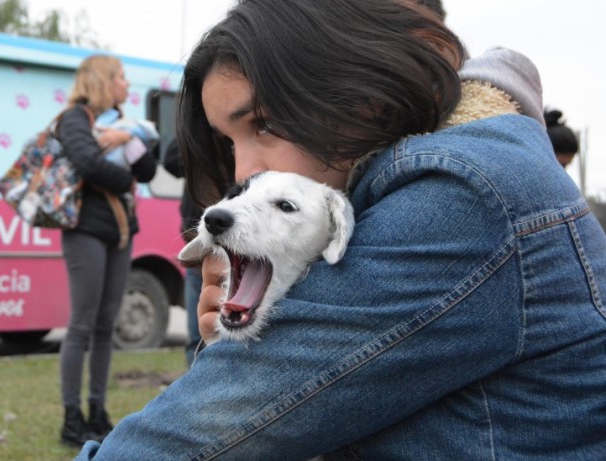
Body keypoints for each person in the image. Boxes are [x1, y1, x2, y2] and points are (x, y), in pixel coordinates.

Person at [73, 1, 606, 459]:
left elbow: (200, 432)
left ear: (358, 89)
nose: (242, 174)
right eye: (229, 141)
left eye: (264, 123)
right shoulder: (447, 174)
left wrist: (238, 362)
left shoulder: (459, 196)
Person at [56, 54, 157, 448]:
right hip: (85, 229)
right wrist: (125, 177)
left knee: (105, 325)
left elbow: (148, 172)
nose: (127, 84)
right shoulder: (75, 118)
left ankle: (97, 412)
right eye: (121, 77)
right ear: (102, 80)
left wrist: (128, 140)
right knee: (81, 325)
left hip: (120, 231)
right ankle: (71, 418)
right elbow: (87, 163)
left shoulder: (122, 123)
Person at [162, 139, 204, 367]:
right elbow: (170, 162)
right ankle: (195, 398)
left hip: (236, 241)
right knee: (196, 337)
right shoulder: (198, 129)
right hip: (196, 237)